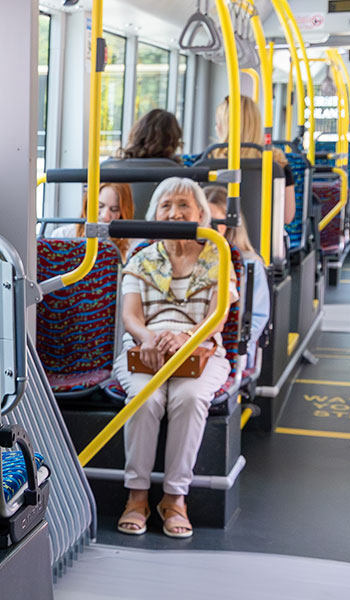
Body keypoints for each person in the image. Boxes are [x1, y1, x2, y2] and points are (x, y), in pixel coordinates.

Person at [112, 178, 239, 539]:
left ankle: (175, 497)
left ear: (200, 213)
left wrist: (186, 337)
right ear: (155, 213)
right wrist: (149, 338)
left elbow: (219, 315)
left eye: (184, 205)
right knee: (145, 397)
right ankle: (136, 496)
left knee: (190, 397)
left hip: (201, 346)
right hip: (145, 346)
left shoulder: (218, 254)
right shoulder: (141, 258)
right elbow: (131, 316)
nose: (175, 213)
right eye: (167, 205)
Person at [206, 95, 298, 226]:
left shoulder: (208, 161)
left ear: (223, 126)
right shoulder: (277, 162)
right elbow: (287, 216)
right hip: (266, 242)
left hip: (218, 240)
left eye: (217, 123)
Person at [204, 186, 270, 355]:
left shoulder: (249, 264)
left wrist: (235, 347)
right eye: (205, 221)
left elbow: (257, 318)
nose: (210, 229)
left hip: (230, 350)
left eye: (217, 223)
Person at [104, 108, 184, 215]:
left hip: (116, 229)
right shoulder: (178, 174)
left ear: (136, 134)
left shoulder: (108, 168)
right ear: (174, 140)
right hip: (161, 230)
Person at [47, 183, 135, 256]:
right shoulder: (62, 236)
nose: (105, 216)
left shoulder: (134, 246)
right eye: (100, 206)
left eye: (114, 209)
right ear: (88, 204)